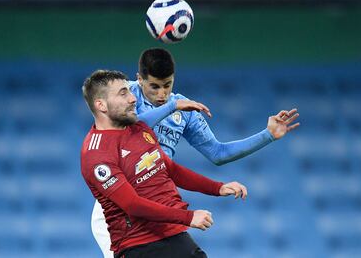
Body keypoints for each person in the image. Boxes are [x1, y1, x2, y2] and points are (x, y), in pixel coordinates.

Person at [91, 48, 300, 258]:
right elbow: (134, 127)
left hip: (158, 202)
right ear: (139, 80)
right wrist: (172, 106)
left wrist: (268, 135)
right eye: (154, 86)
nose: (162, 94)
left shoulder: (182, 108)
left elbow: (218, 152)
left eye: (167, 85)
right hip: (121, 208)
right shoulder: (127, 97)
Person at [81, 70, 248, 258]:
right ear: (101, 105)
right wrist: (189, 217)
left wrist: (217, 188)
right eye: (123, 93)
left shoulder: (138, 129)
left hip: (171, 234)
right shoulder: (97, 153)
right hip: (138, 244)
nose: (133, 98)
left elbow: (169, 169)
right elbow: (132, 204)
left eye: (130, 91)